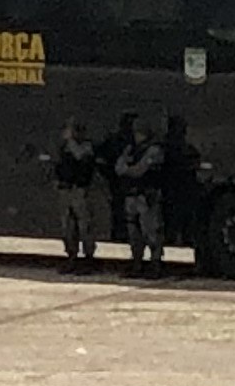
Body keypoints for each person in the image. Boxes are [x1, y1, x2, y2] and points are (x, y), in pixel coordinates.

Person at [106, 113, 163, 274]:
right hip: (131, 196)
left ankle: (155, 264)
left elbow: (140, 170)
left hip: (147, 197)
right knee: (133, 233)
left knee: (151, 231)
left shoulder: (154, 150)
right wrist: (127, 168)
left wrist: (128, 169)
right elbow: (118, 168)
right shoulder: (131, 149)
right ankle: (137, 263)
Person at [156, 115, 208, 274]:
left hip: (183, 194)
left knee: (192, 230)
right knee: (167, 229)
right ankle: (157, 262)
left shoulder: (182, 148)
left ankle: (200, 263)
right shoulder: (170, 148)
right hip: (173, 194)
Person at [50, 121, 103, 272]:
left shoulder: (86, 146)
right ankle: (71, 256)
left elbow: (80, 157)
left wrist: (70, 141)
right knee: (68, 226)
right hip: (66, 190)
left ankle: (88, 258)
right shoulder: (65, 147)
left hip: (80, 191)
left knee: (84, 226)